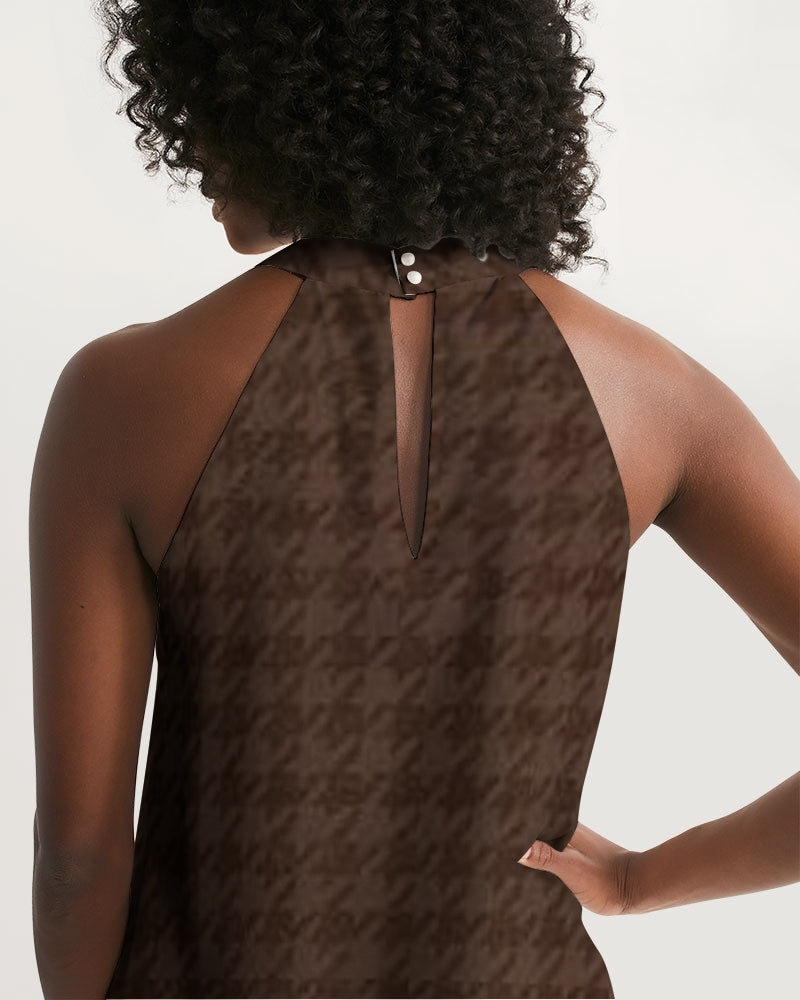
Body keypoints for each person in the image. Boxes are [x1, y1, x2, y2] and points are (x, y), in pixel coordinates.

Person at [30, 1, 799, 999]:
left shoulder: (120, 394)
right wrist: (637, 881)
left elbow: (79, 861)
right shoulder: (657, 397)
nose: (192, 152)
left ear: (273, 96)